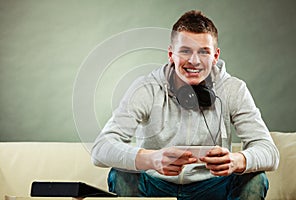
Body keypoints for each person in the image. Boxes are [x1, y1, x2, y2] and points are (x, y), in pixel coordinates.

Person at [91, 10, 279, 199]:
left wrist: (238, 160)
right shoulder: (146, 88)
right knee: (120, 174)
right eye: (185, 51)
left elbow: (269, 151)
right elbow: (100, 148)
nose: (194, 61)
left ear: (215, 56)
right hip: (155, 185)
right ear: (171, 54)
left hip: (213, 185)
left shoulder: (233, 89)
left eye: (204, 52)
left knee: (256, 179)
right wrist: (152, 159)